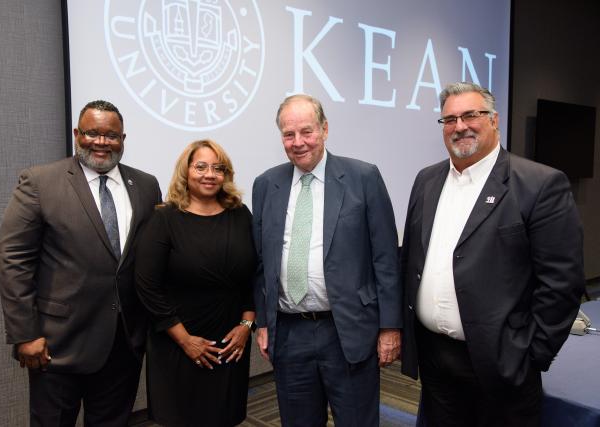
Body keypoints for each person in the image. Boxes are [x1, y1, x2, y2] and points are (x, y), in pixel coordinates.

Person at [400, 82, 585, 426]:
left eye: (471, 115)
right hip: (436, 362)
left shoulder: (539, 184)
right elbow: (412, 258)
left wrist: (531, 355)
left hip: (503, 366)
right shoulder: (427, 180)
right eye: (450, 119)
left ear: (494, 120)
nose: (460, 126)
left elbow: (562, 283)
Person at [0, 100, 162, 426]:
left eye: (111, 135)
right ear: (77, 134)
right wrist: (24, 334)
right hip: (58, 345)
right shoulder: (40, 182)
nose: (101, 142)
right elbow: (14, 259)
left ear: (123, 139)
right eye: (92, 133)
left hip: (123, 343)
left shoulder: (146, 185)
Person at [252, 94, 402, 427]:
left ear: (325, 129)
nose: (298, 142)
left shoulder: (363, 177)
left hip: (347, 329)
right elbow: (261, 263)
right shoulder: (266, 184)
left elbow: (386, 258)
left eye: (306, 131)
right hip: (289, 333)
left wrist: (390, 327)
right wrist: (263, 322)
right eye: (288, 135)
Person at [134, 139, 256, 427]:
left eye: (217, 168)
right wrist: (185, 340)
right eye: (200, 166)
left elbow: (254, 274)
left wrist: (246, 325)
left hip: (230, 342)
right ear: (185, 171)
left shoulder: (240, 215)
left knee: (224, 417)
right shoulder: (164, 217)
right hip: (178, 342)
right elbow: (146, 286)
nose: (209, 174)